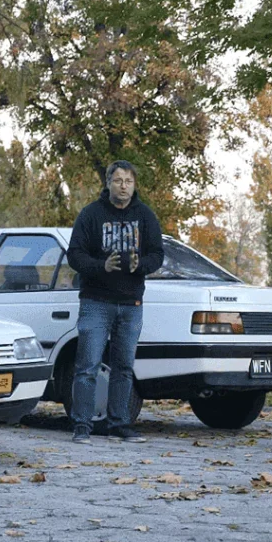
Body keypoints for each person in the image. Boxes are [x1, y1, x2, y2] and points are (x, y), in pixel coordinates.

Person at [66, 160, 164, 444]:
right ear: (108, 183)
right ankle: (82, 425)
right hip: (96, 301)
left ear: (134, 185)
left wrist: (139, 264)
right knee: (88, 366)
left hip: (131, 302)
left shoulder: (145, 216)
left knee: (123, 366)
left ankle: (119, 424)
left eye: (128, 181)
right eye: (118, 180)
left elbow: (157, 254)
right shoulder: (91, 215)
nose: (123, 186)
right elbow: (75, 255)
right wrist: (101, 265)